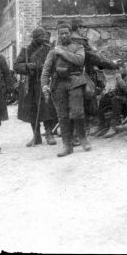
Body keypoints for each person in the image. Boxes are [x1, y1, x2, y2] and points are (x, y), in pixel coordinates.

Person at [41, 21, 87, 157]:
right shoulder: (52, 51)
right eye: (62, 33)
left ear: (70, 33)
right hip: (58, 84)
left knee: (77, 112)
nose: (64, 35)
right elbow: (46, 69)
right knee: (62, 116)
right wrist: (44, 84)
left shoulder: (78, 47)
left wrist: (63, 52)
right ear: (58, 35)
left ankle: (83, 138)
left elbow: (79, 61)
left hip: (75, 81)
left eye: (67, 33)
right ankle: (67, 145)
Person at [13, 27, 57, 147]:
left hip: (44, 83)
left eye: (43, 37)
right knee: (32, 110)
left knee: (47, 108)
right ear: (34, 38)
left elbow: (55, 64)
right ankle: (36, 136)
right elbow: (16, 66)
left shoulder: (49, 49)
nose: (42, 40)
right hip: (31, 84)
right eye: (40, 38)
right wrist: (27, 66)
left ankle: (49, 134)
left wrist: (47, 68)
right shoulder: (26, 51)